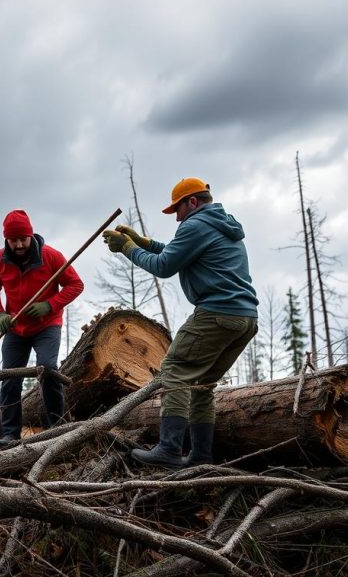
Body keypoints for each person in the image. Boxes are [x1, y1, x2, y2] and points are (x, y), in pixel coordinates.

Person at [102, 177, 258, 469]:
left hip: (216, 314)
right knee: (201, 384)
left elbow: (164, 266)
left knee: (174, 371)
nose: (176, 217)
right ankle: (200, 457)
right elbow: (177, 252)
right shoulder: (219, 223)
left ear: (193, 202)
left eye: (178, 209)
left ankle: (169, 451)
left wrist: (128, 249)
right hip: (245, 319)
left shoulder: (195, 225)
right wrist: (143, 242)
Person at [0, 209, 85, 447]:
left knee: (48, 369)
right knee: (9, 378)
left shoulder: (50, 256)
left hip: (46, 325)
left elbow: (75, 284)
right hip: (16, 329)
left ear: (31, 235)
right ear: (6, 239)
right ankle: (9, 434)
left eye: (23, 239)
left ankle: (55, 430)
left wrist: (49, 305)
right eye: (13, 240)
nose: (19, 244)